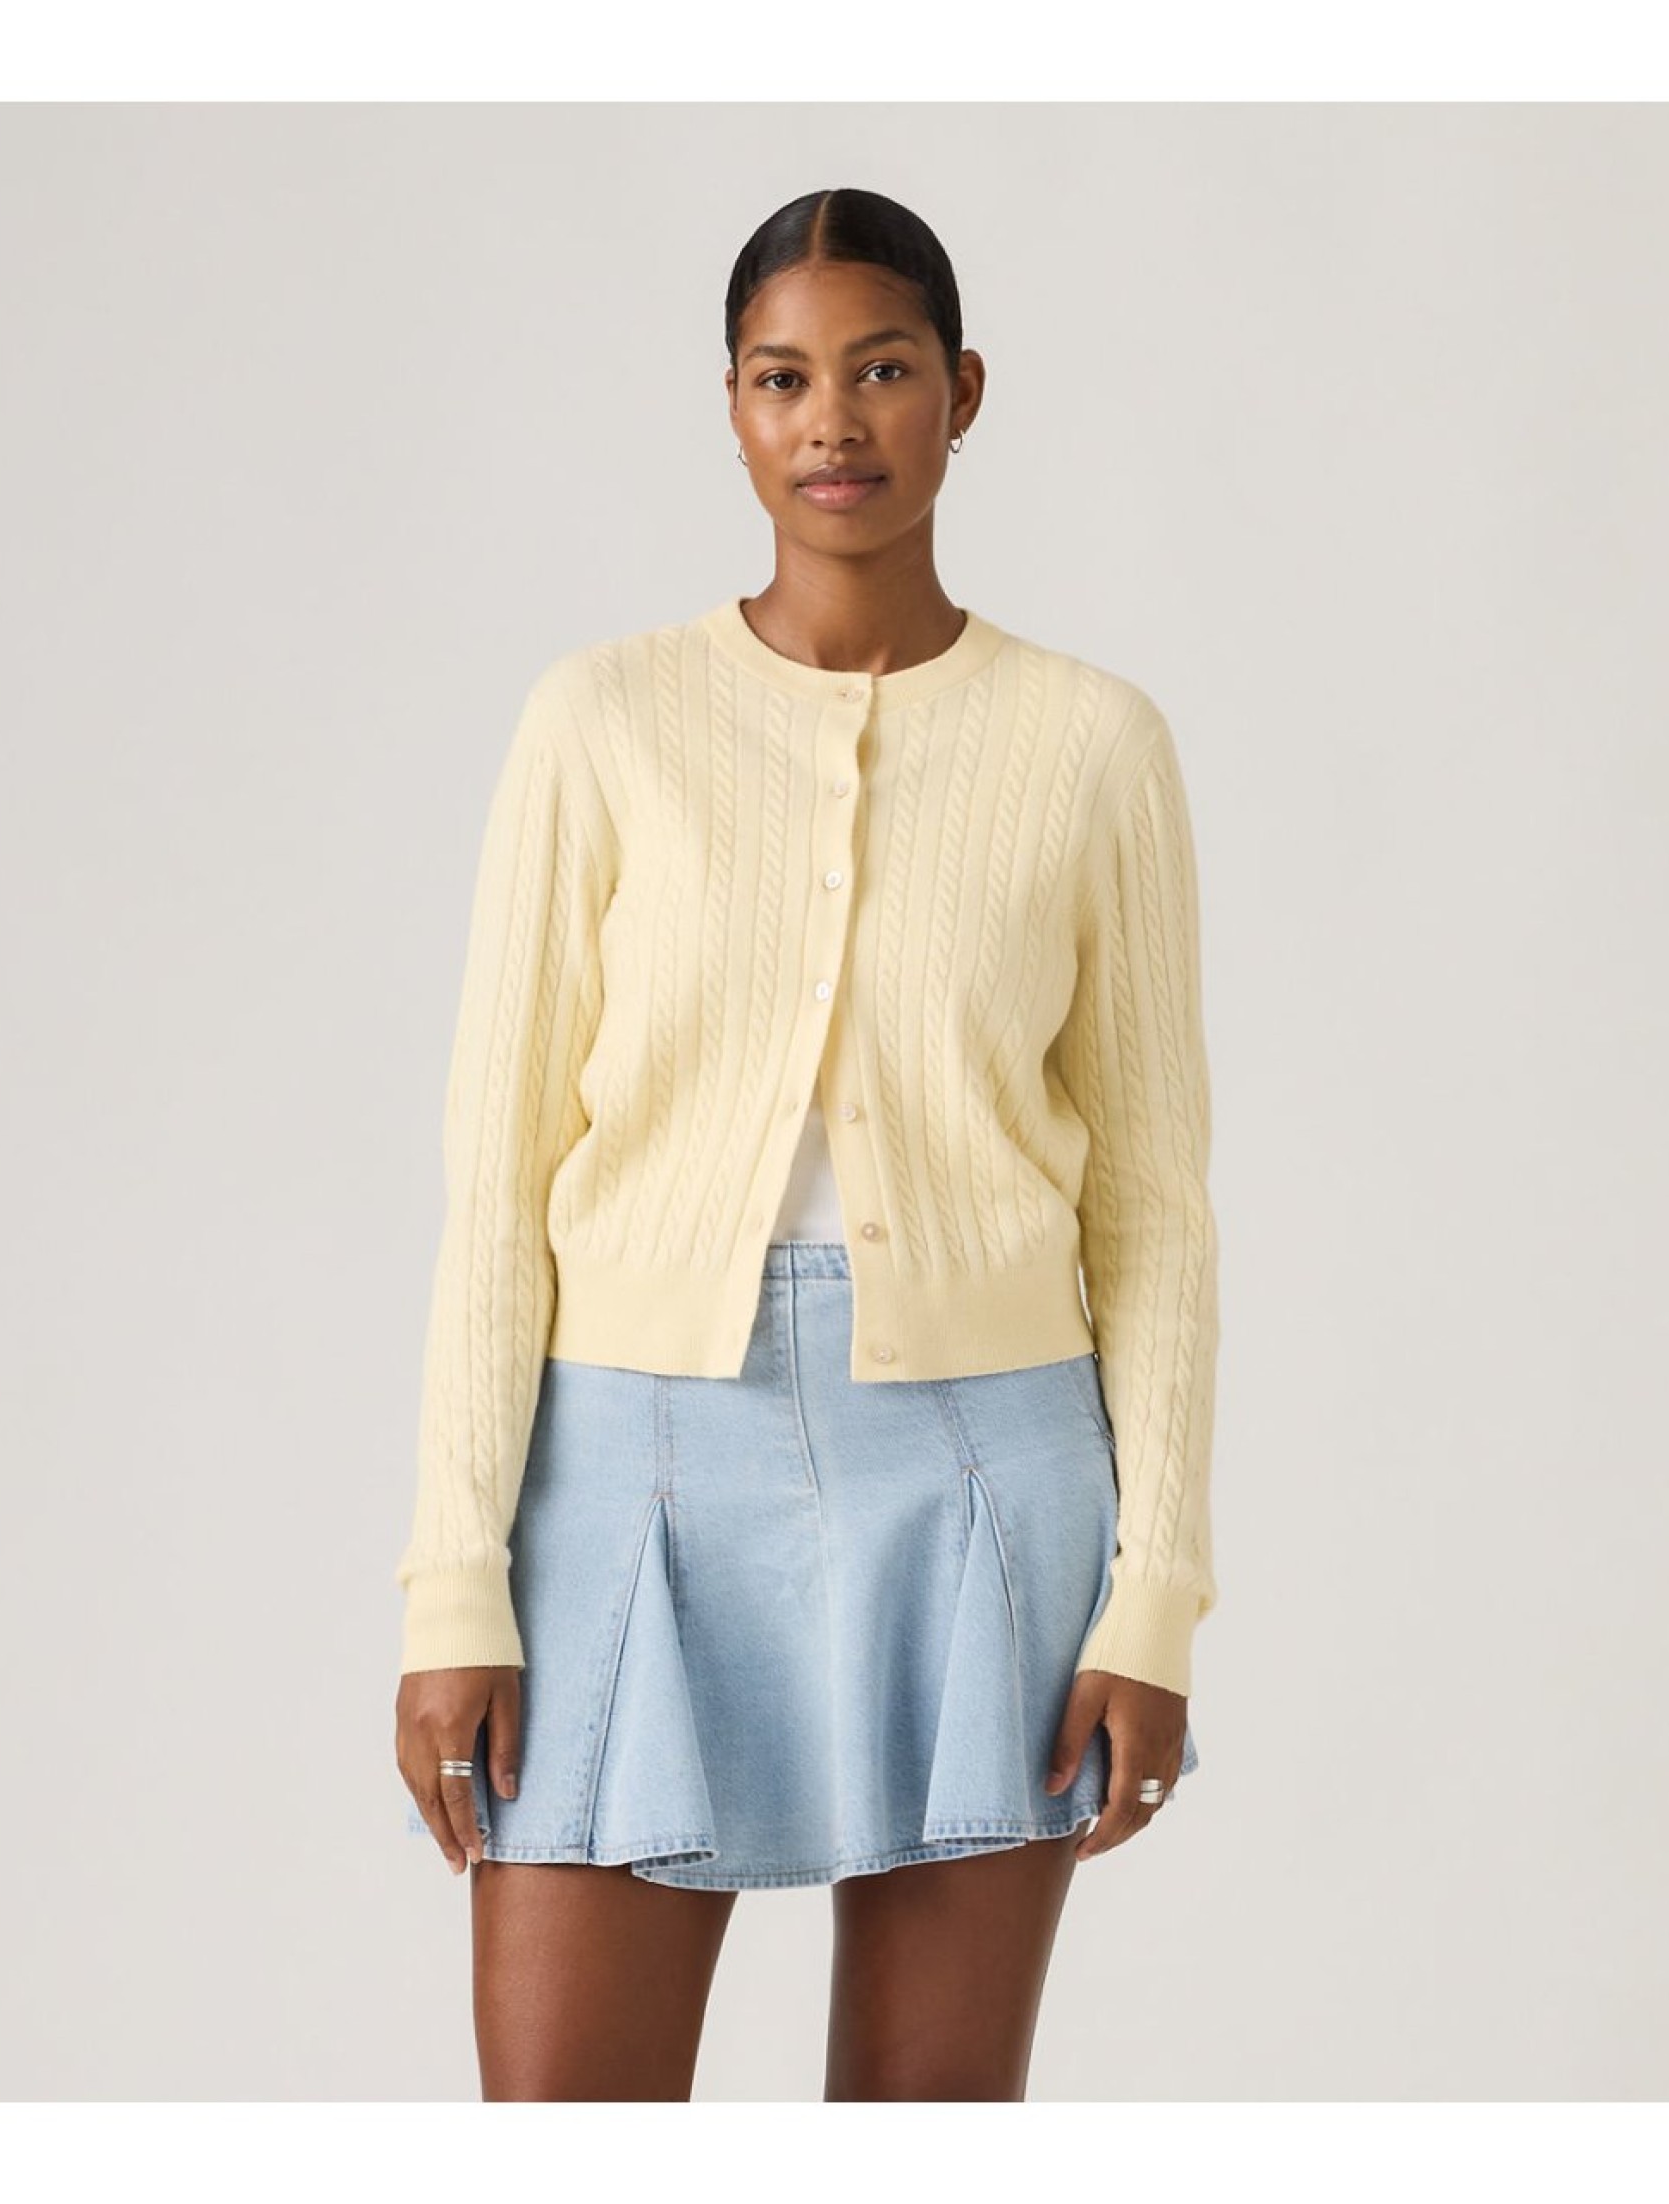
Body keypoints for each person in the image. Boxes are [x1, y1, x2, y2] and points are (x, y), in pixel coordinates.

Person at [392, 186, 1221, 2101]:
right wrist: (455, 1581)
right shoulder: (602, 723)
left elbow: (1157, 1210)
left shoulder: (1092, 743)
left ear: (963, 393)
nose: (832, 421)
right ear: (734, 407)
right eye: (784, 378)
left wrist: (1156, 1593)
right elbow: (495, 1189)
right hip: (629, 1465)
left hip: (986, 1473)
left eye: (882, 371)